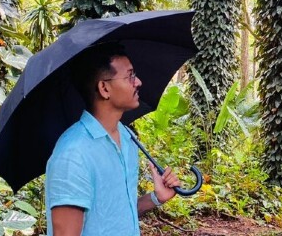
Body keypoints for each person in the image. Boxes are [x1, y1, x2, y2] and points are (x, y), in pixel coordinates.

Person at [45, 43, 181, 236]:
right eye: (130, 76)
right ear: (104, 88)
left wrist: (155, 198)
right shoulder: (73, 154)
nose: (138, 82)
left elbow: (115, 215)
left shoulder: (126, 137)